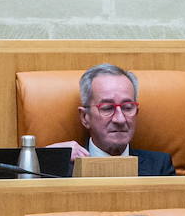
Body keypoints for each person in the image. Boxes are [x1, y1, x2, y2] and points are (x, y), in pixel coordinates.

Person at [47, 64, 176, 176]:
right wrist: (46, 157)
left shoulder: (159, 167)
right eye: (107, 108)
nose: (120, 119)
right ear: (85, 117)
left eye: (127, 107)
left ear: (136, 112)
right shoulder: (62, 165)